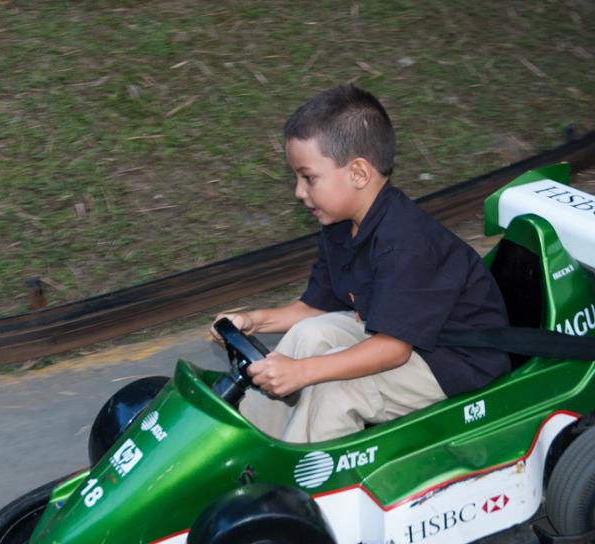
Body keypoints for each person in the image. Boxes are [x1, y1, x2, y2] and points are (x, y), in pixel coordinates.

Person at [211, 84, 510, 443]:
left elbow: (394, 350)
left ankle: (305, 488)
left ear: (358, 173)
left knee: (335, 388)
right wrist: (253, 320)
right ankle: (245, 445)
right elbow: (313, 309)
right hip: (397, 336)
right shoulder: (340, 227)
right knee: (309, 335)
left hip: (451, 359)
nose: (298, 192)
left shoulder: (405, 243)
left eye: (308, 178)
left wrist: (304, 372)